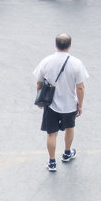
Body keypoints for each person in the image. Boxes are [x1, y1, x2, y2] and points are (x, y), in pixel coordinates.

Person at [33, 33, 88, 172]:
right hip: (70, 105)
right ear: (69, 45)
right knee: (70, 128)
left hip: (51, 104)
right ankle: (67, 153)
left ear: (55, 45)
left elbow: (39, 82)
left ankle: (52, 162)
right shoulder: (76, 63)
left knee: (51, 134)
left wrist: (41, 99)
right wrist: (80, 105)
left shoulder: (46, 61)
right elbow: (80, 87)